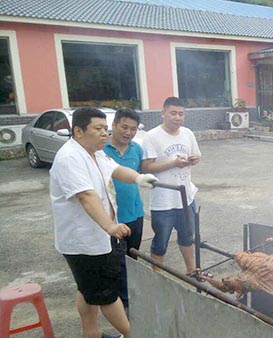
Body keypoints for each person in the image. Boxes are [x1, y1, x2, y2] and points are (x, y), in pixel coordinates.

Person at [50, 107, 157, 338]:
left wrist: (138, 177)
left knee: (86, 287)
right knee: (107, 294)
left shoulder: (94, 152)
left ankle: (90, 333)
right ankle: (133, 334)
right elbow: (86, 196)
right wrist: (110, 226)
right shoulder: (70, 157)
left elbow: (117, 170)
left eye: (105, 129)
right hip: (84, 241)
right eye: (98, 129)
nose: (104, 134)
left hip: (97, 238)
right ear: (78, 131)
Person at [142, 97, 201, 275]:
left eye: (181, 114)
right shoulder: (152, 136)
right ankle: (156, 276)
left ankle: (191, 271)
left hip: (186, 197)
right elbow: (146, 167)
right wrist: (173, 163)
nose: (177, 117)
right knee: (161, 241)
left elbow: (197, 156)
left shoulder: (187, 133)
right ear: (163, 113)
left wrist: (194, 159)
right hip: (163, 200)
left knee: (187, 237)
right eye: (173, 113)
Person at [103, 108, 144, 313]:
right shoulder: (101, 150)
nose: (128, 132)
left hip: (136, 213)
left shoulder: (136, 149)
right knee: (116, 261)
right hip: (114, 218)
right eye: (124, 127)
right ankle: (122, 302)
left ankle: (131, 295)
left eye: (133, 129)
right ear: (114, 125)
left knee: (132, 256)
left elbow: (140, 174)